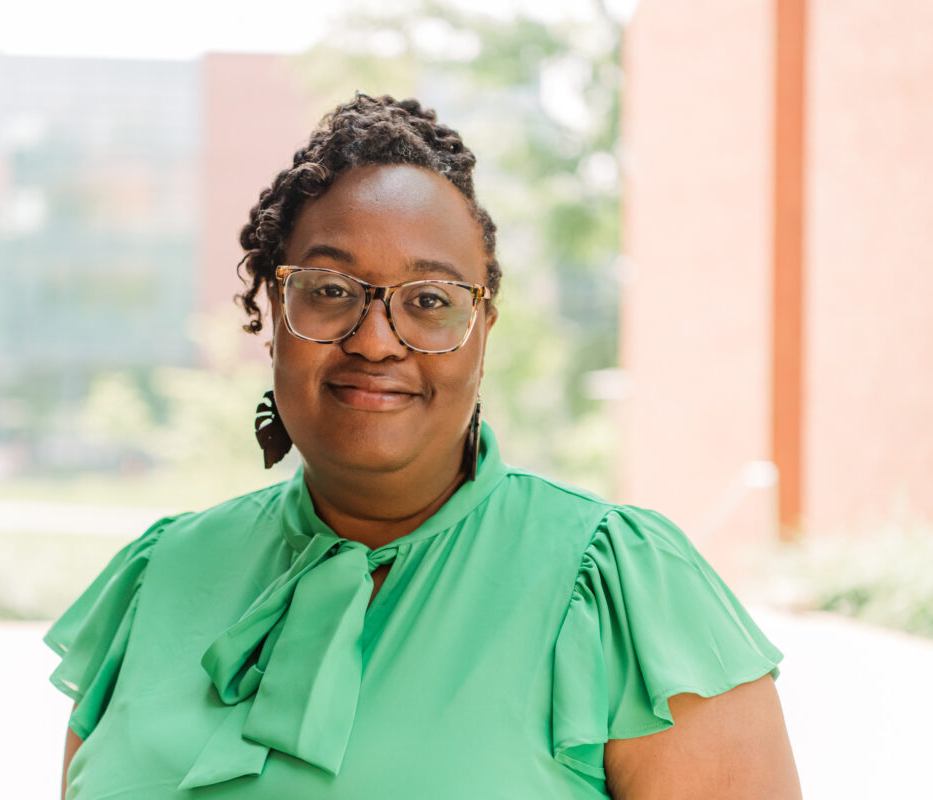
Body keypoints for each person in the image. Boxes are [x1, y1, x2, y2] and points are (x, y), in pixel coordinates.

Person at [46, 94, 802, 799]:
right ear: (272, 315)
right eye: (331, 289)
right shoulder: (160, 578)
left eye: (430, 301)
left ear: (483, 333)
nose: (376, 340)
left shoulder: (620, 587)